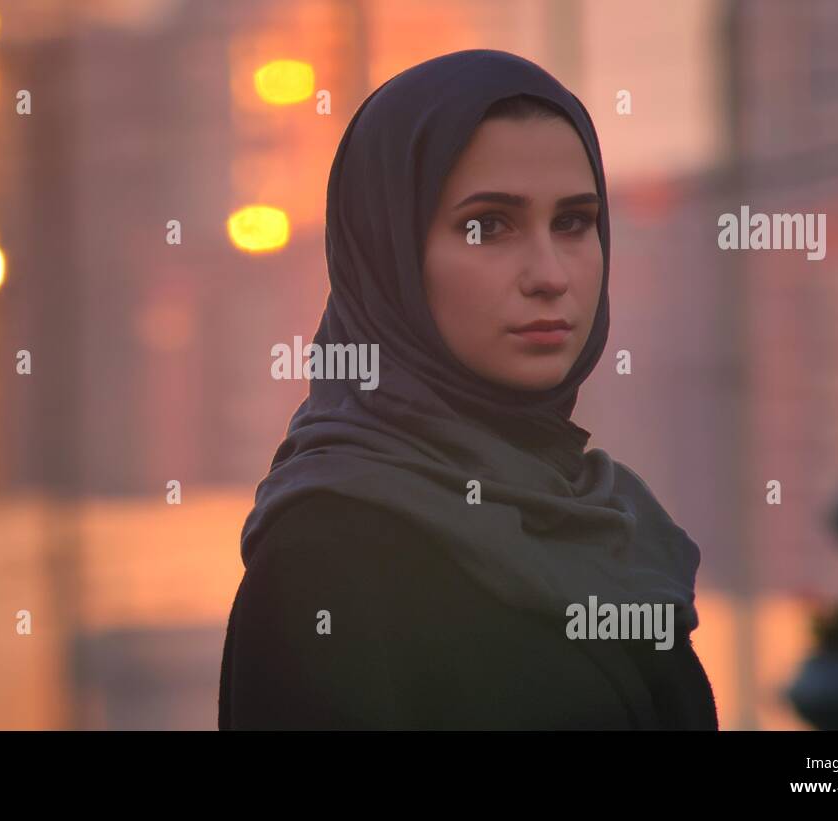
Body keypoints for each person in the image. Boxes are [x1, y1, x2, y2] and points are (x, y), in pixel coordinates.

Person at [218, 48, 718, 730]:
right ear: (388, 256)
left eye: (574, 222)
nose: (549, 274)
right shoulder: (327, 556)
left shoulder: (613, 515)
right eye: (488, 226)